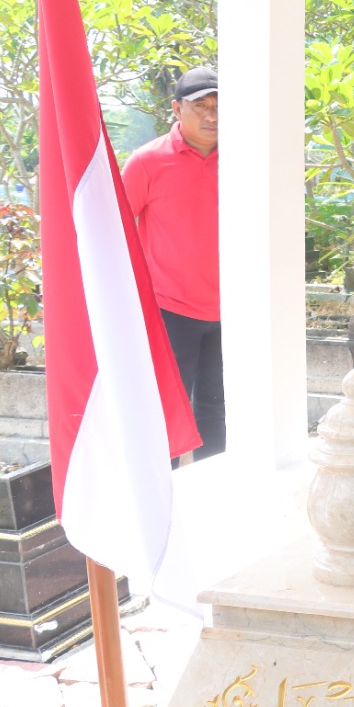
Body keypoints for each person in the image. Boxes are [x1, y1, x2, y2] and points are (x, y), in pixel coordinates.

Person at [123, 66, 225, 461]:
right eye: (201, 105)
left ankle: (215, 497)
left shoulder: (242, 160)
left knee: (215, 410)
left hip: (228, 311)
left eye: (219, 106)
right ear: (177, 109)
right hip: (170, 310)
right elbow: (119, 229)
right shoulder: (147, 163)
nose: (212, 115)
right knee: (165, 412)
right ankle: (163, 502)